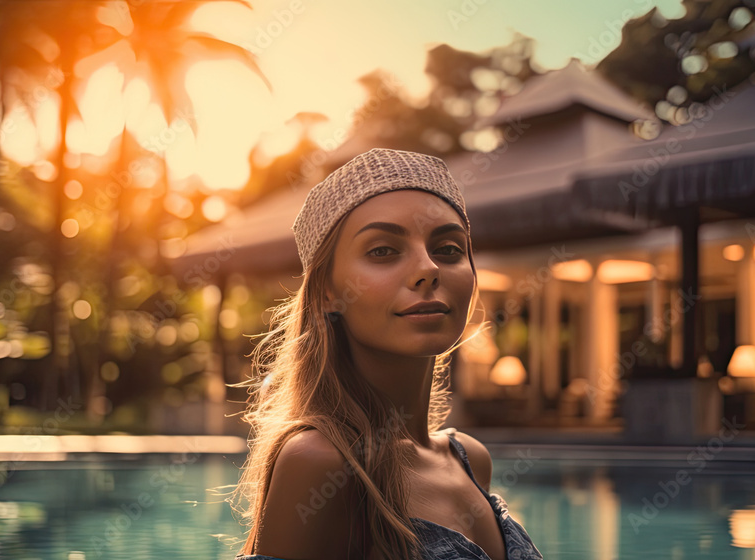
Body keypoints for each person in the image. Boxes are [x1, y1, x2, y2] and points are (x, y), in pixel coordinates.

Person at [230, 149, 544, 560]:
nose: (428, 267)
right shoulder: (322, 464)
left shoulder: (470, 458)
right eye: (383, 250)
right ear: (328, 292)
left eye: (449, 248)